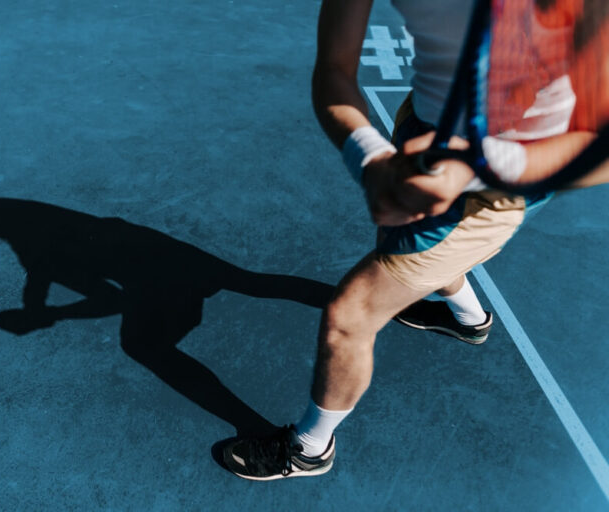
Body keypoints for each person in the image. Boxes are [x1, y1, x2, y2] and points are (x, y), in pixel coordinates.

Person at [223, 0, 608, 480]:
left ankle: (309, 449)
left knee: (349, 315)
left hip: (499, 183)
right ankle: (470, 318)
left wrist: (478, 168)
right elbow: (335, 70)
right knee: (398, 241)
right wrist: (370, 161)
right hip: (420, 127)